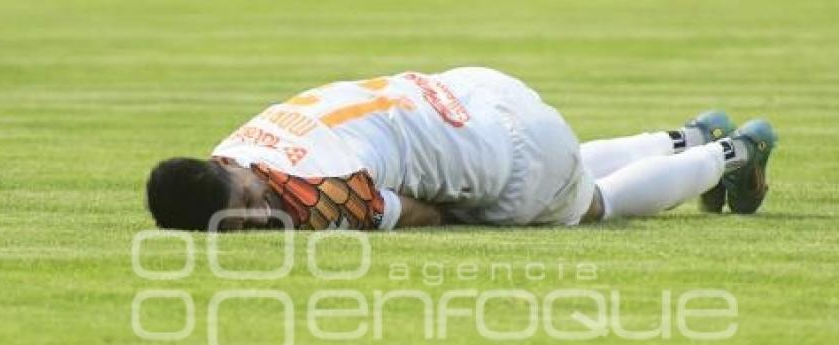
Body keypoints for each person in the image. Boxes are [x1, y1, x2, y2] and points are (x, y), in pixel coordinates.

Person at [145, 67, 777, 232]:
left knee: (593, 205)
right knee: (570, 170)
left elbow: (414, 213)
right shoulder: (238, 145)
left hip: (509, 156)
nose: (261, 216)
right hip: (469, 88)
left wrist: (455, 212)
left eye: (251, 204)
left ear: (228, 168)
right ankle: (691, 134)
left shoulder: (313, 196)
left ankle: (733, 154)